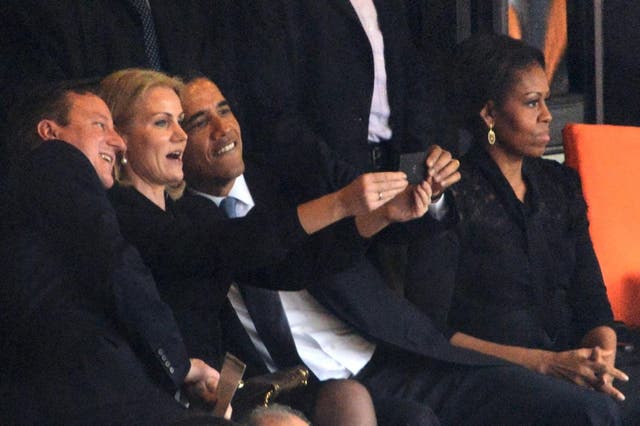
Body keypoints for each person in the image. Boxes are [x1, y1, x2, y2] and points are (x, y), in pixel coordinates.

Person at [178, 75, 623, 425]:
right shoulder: (177, 231)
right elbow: (252, 253)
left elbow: (376, 230)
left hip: (394, 353)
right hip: (300, 391)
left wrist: (425, 201)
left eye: (225, 110)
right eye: (198, 122)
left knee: (588, 411)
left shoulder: (292, 177)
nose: (222, 129)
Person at [98, 68, 432, 424]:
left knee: (389, 410)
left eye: (181, 122)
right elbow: (224, 246)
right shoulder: (120, 213)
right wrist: (340, 203)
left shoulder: (189, 210)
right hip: (170, 400)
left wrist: (376, 217)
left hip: (224, 392)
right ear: (121, 138)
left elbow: (284, 267)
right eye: (163, 123)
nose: (180, 136)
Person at [405, 33, 637, 422]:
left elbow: (592, 299)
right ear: (489, 115)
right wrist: (546, 363)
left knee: (612, 396)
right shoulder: (452, 196)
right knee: (594, 412)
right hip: (501, 373)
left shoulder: (560, 184)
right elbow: (432, 330)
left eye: (546, 100)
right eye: (532, 103)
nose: (547, 114)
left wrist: (602, 354)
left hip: (576, 358)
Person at [0, 81, 234, 425]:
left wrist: (183, 370)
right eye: (100, 125)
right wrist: (177, 362)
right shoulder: (53, 159)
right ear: (50, 131)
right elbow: (116, 267)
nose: (118, 140)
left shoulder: (37, 210)